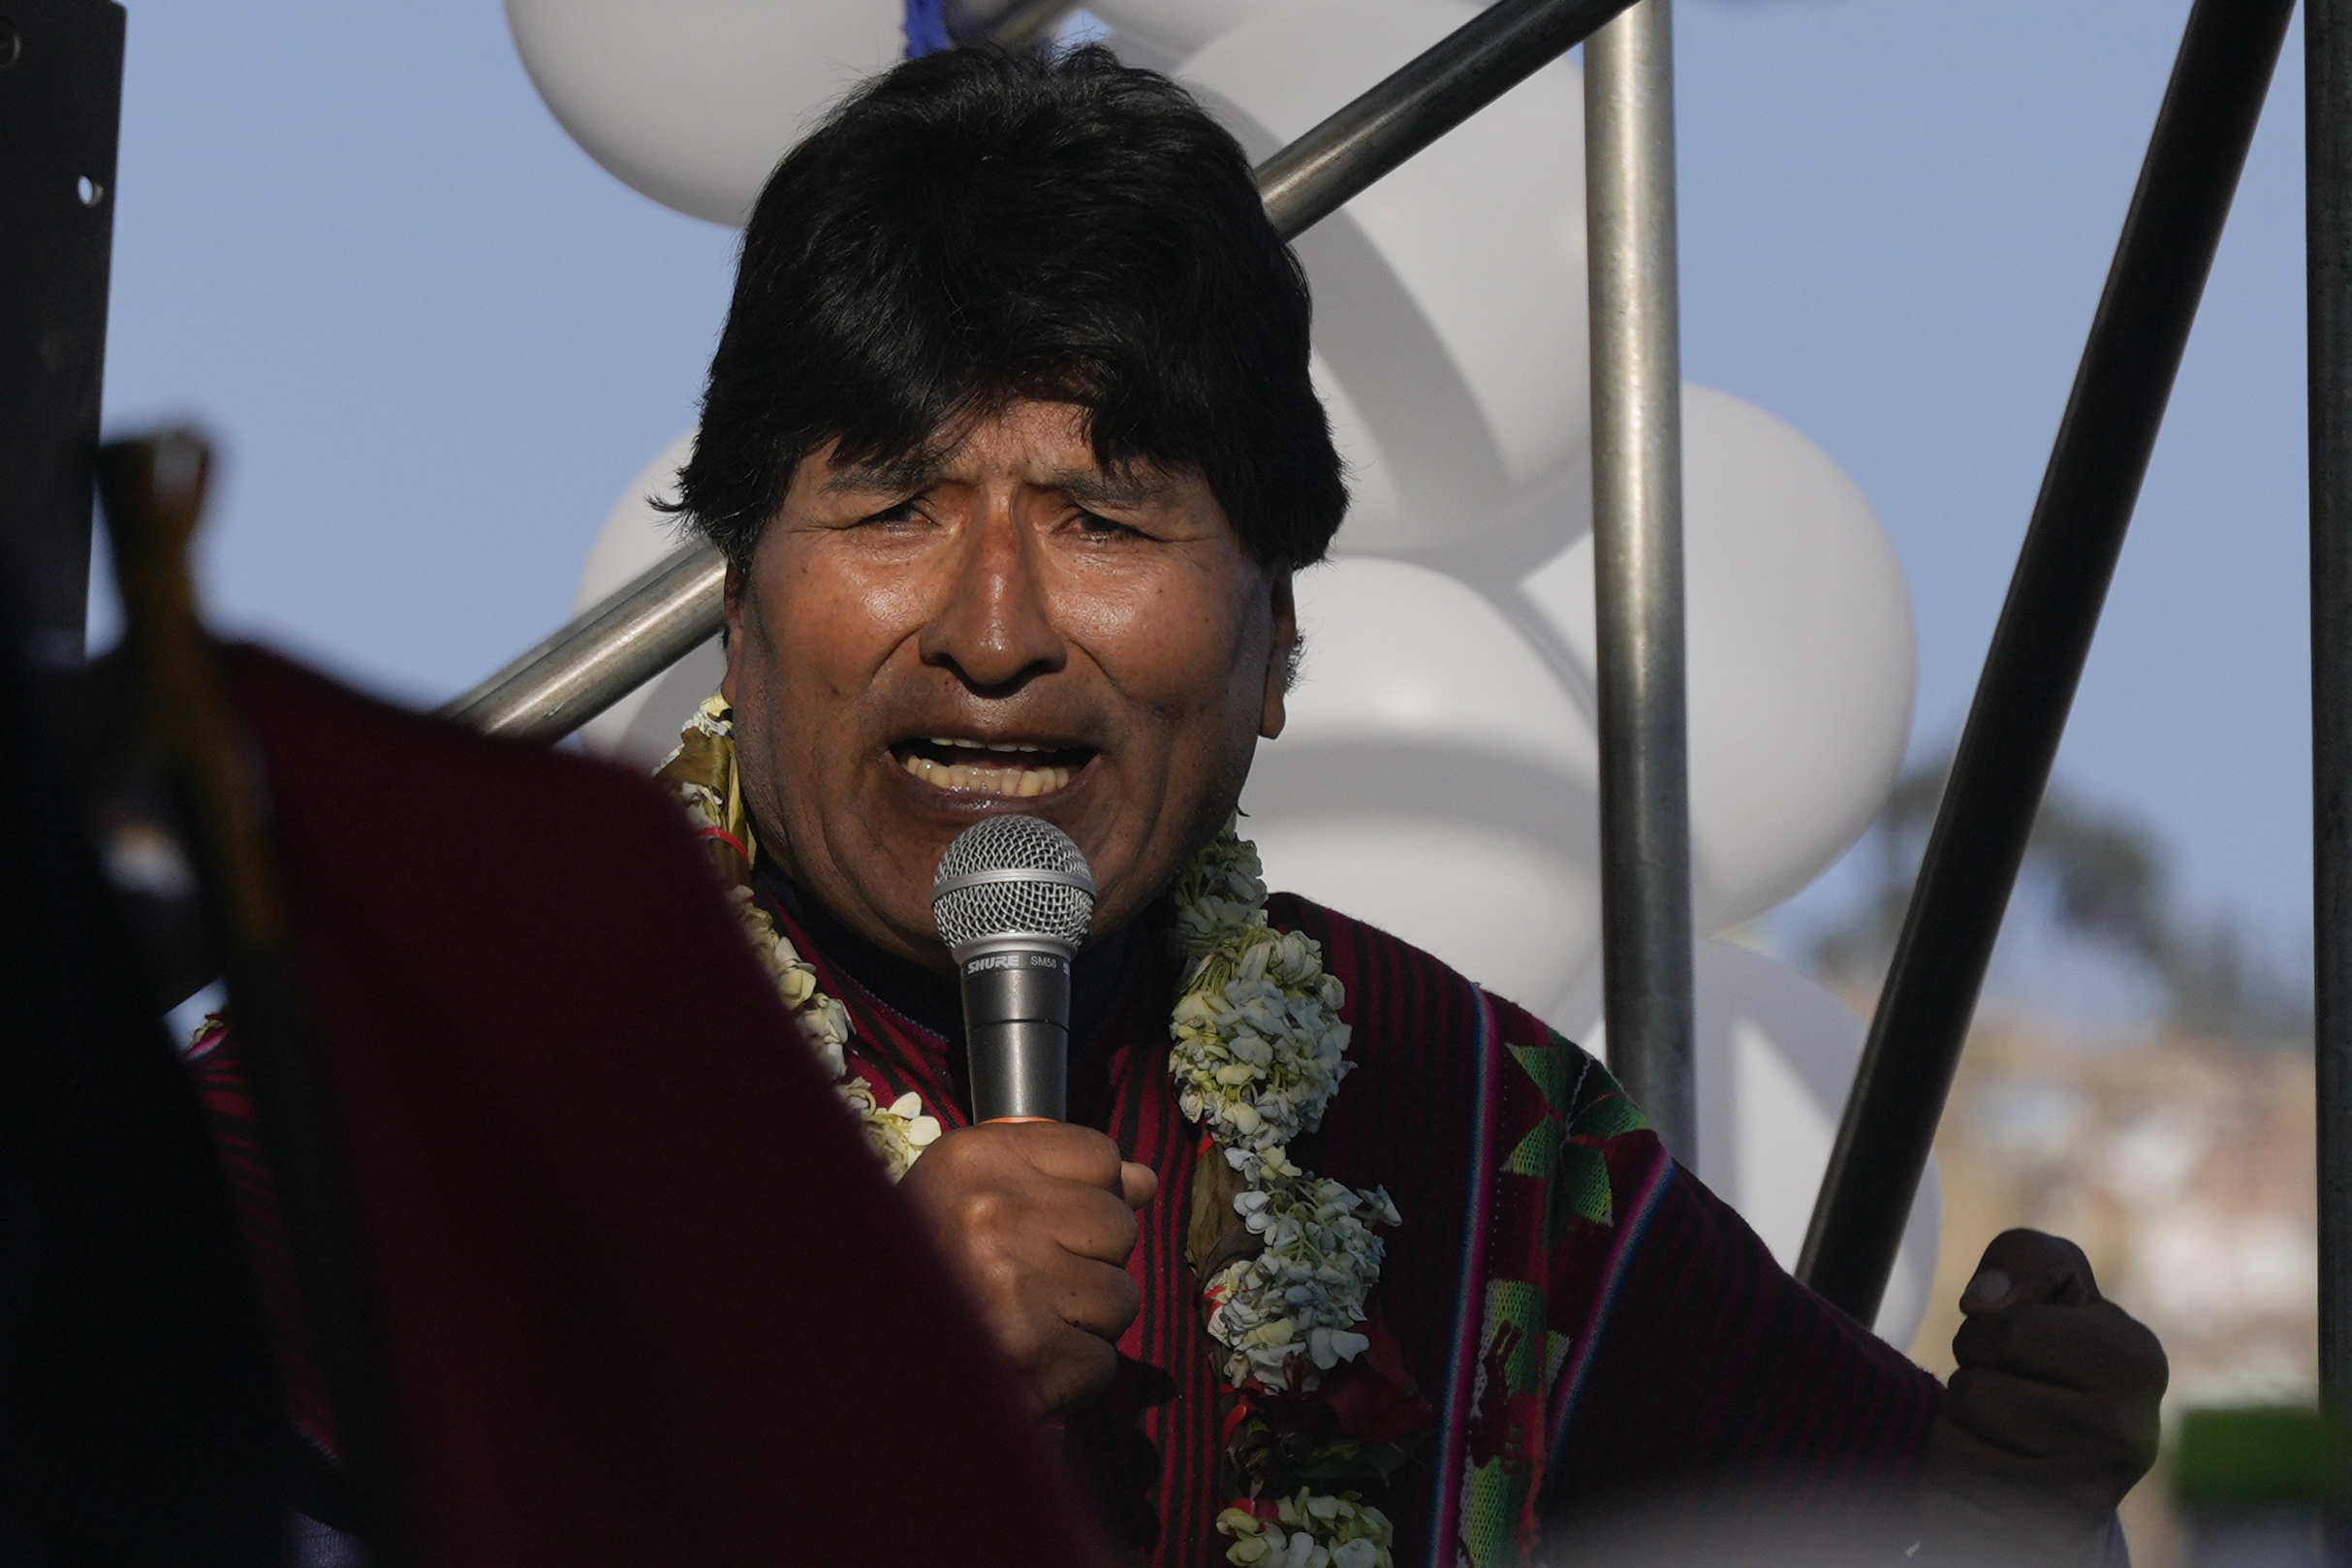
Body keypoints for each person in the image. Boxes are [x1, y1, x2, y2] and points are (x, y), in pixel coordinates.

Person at [653, 43, 2167, 1568]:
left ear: (1278, 643)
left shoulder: (1453, 1108)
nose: (993, 631)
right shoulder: (524, 1049)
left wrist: (2006, 1503)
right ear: (736, 599)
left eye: (1102, 519)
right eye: (898, 508)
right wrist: (849, 1402)